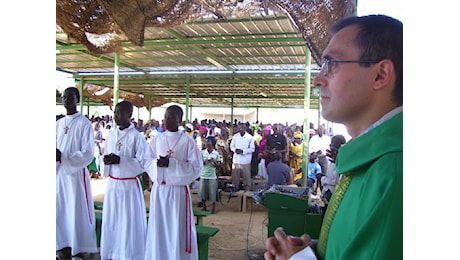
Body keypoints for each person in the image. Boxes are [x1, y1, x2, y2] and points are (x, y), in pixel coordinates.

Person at [265, 14, 403, 260]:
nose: (317, 81)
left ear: (380, 75)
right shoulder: (372, 161)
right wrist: (315, 252)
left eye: (331, 64)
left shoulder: (394, 171)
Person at [143, 105, 203, 260]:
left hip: (178, 192)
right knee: (159, 228)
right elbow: (146, 160)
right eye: (165, 116)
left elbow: (196, 168)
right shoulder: (158, 139)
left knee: (176, 228)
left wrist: (172, 164)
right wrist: (157, 167)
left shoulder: (188, 141)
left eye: (171, 117)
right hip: (160, 190)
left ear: (180, 120)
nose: (166, 120)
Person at [100, 101, 147, 260]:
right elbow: (105, 156)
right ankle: (112, 252)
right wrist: (106, 161)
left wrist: (121, 160)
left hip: (129, 186)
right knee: (113, 220)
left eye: (119, 114)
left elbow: (143, 163)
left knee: (128, 222)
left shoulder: (137, 137)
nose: (116, 117)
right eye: (114, 114)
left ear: (129, 115)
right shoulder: (111, 135)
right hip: (113, 184)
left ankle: (128, 254)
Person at [56, 87, 98, 259]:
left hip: (75, 176)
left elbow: (88, 153)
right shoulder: (58, 124)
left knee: (76, 210)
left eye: (71, 98)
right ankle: (62, 244)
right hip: (59, 175)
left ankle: (78, 246)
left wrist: (64, 156)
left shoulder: (84, 123)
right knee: (60, 210)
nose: (67, 101)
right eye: (64, 98)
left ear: (77, 100)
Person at [320, 134, 346, 206]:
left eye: (333, 143)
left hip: (333, 193)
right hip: (328, 190)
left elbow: (334, 181)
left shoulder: (341, 161)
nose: (330, 145)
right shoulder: (332, 160)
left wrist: (323, 179)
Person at [230, 123, 255, 191]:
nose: (240, 129)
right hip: (236, 161)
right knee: (235, 179)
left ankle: (247, 192)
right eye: (239, 128)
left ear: (245, 128)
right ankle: (235, 191)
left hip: (245, 161)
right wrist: (235, 150)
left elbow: (252, 149)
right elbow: (231, 146)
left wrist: (243, 151)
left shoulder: (250, 137)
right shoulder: (235, 136)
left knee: (246, 179)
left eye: (242, 128)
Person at [199, 136, 221, 213]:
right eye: (206, 141)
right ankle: (204, 206)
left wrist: (214, 161)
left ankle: (213, 208)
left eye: (209, 141)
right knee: (203, 192)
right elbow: (199, 163)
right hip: (203, 174)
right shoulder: (202, 153)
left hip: (212, 175)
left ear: (212, 143)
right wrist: (204, 162)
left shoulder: (216, 153)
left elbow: (218, 166)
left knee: (212, 193)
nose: (207, 143)